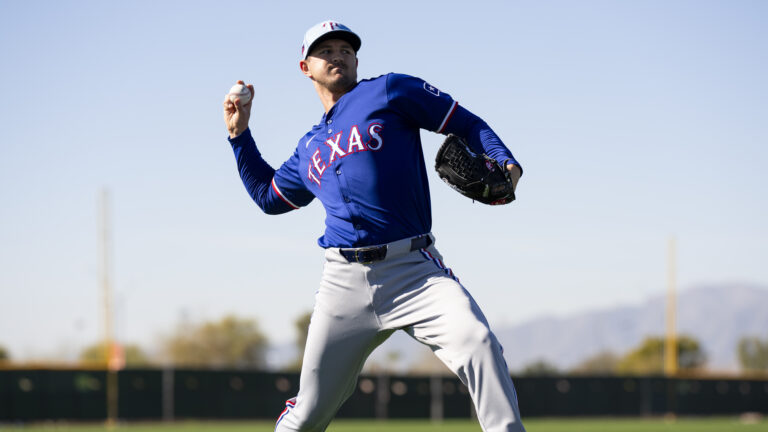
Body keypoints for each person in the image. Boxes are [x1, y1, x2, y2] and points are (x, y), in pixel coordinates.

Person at [222, 20, 526, 432]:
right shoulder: (309, 147)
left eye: (345, 49)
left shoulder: (389, 90)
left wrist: (504, 160)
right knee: (308, 413)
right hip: (343, 283)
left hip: (415, 270)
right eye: (325, 50)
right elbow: (269, 197)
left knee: (479, 343)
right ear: (305, 67)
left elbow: (465, 122)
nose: (337, 55)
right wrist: (240, 137)